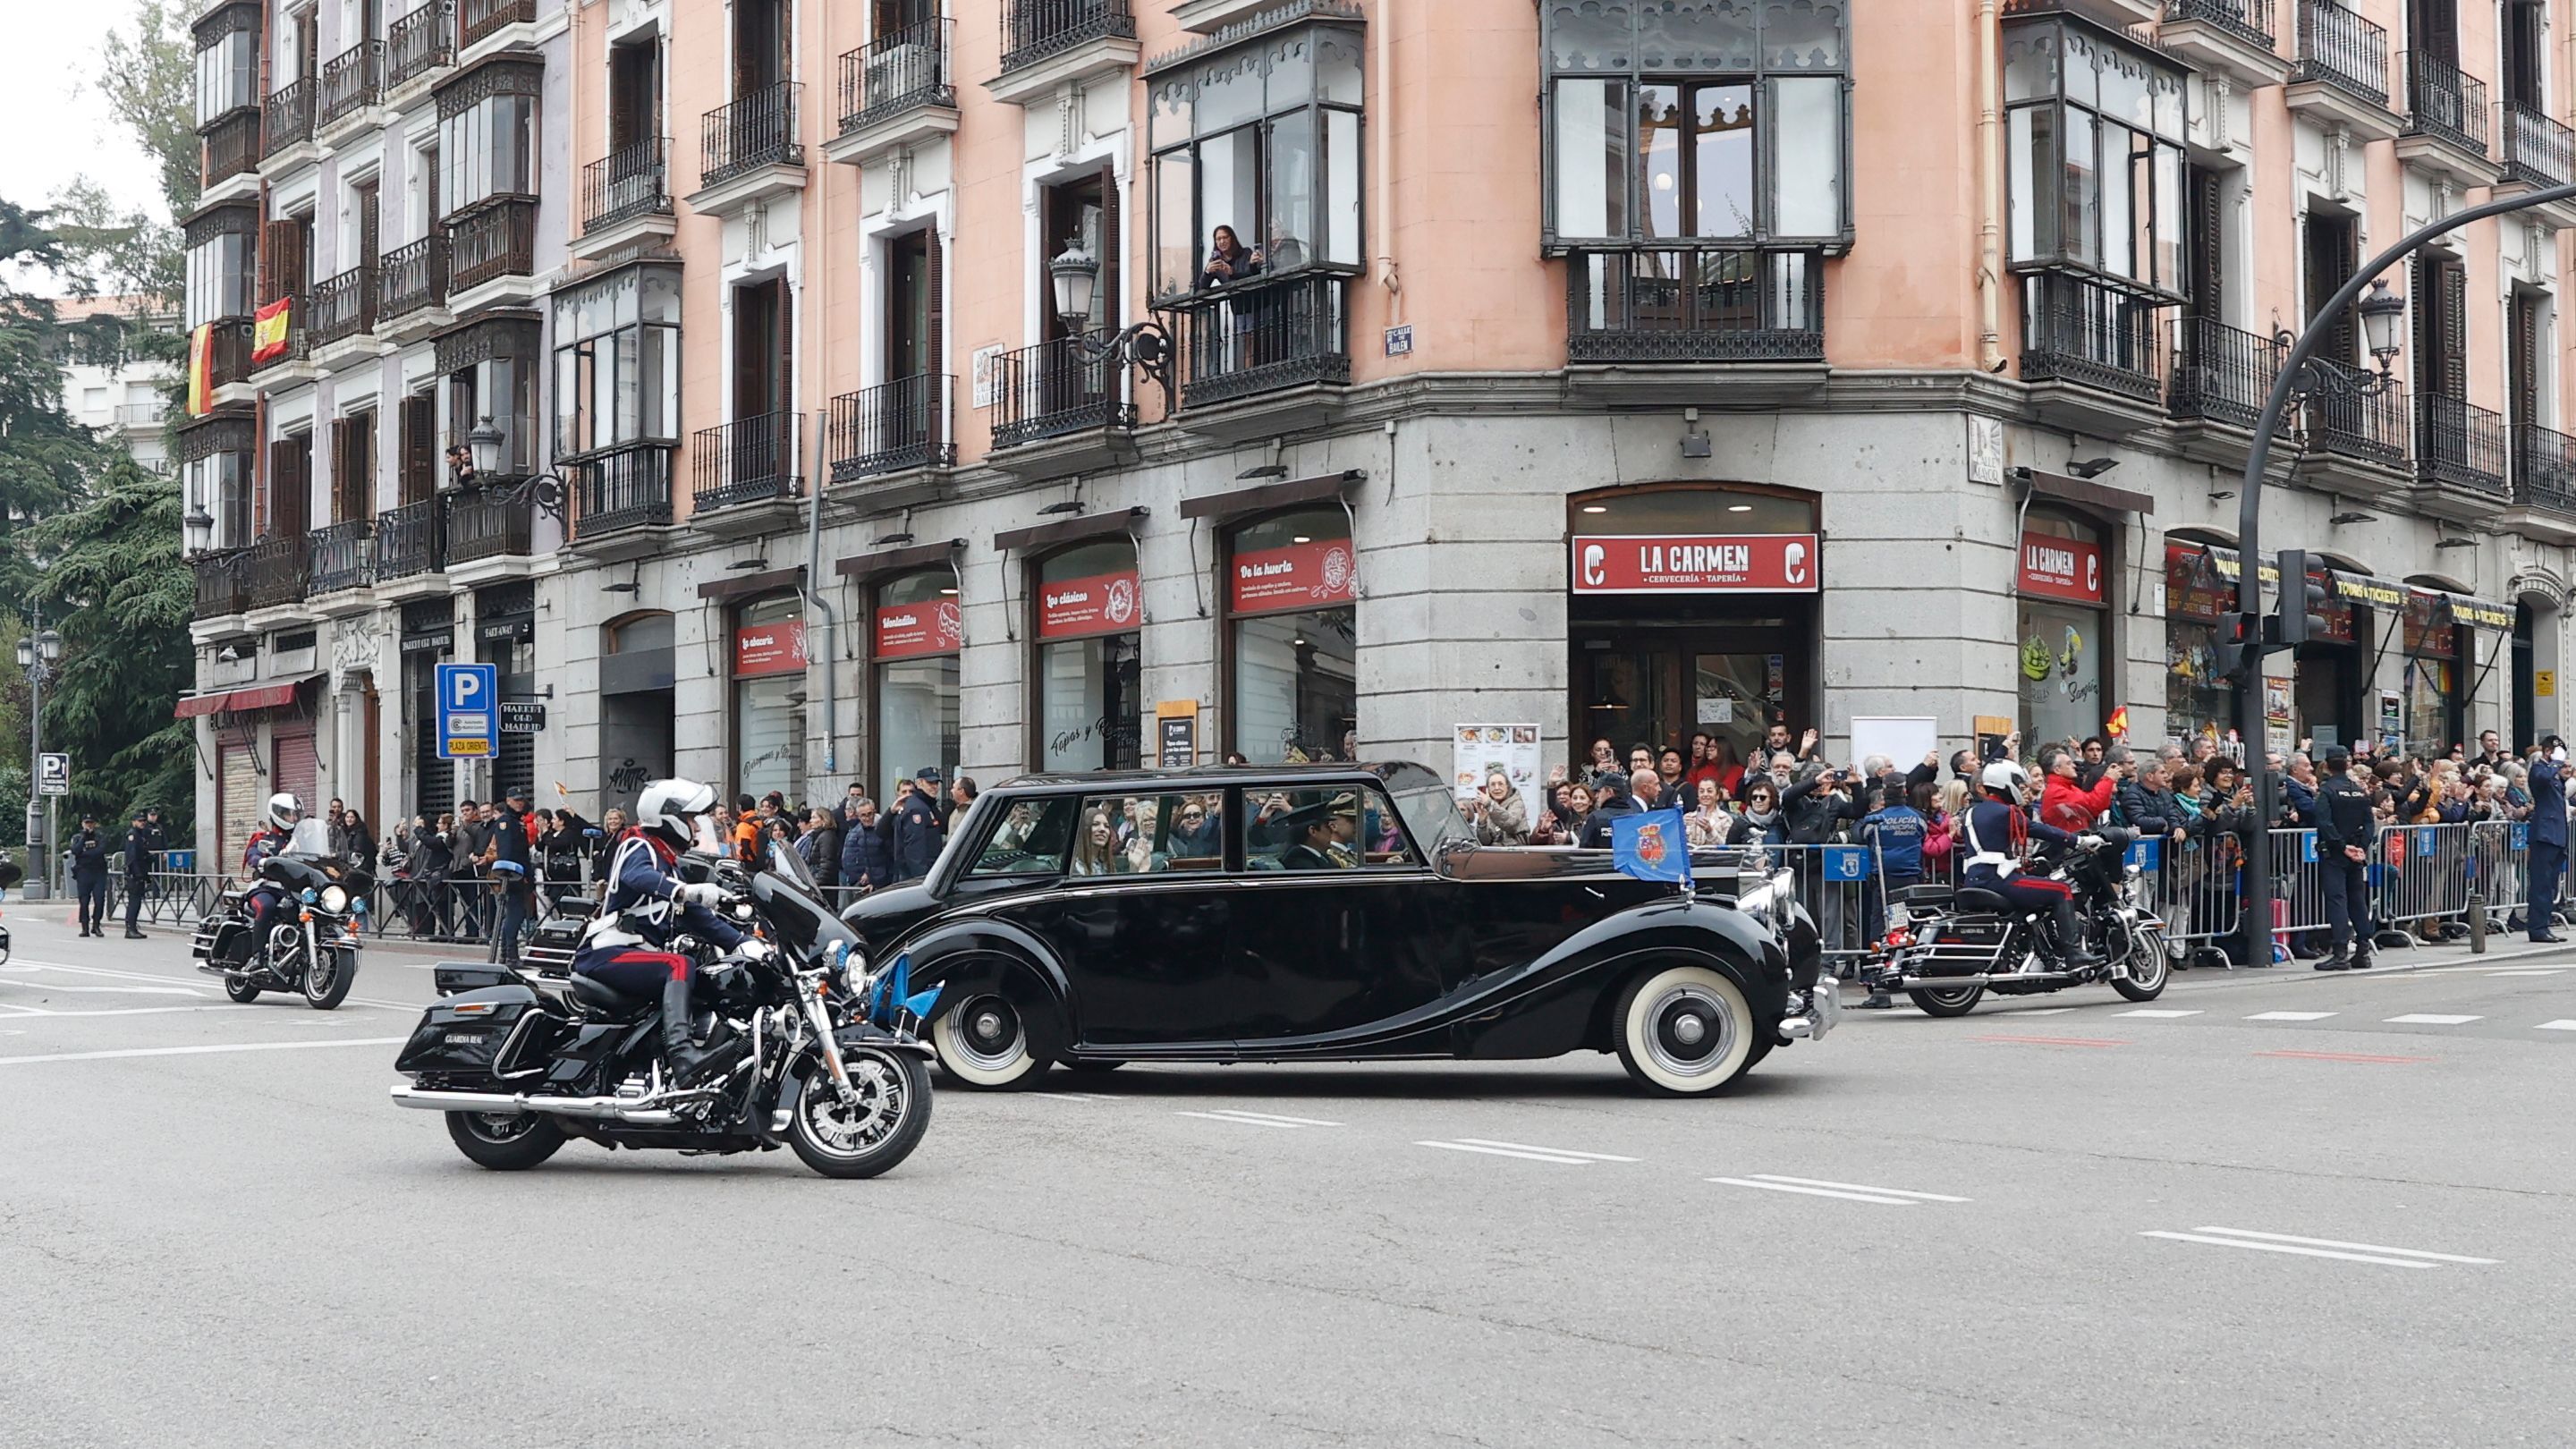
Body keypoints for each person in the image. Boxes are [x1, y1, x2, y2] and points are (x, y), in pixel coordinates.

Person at [570, 778, 744, 1082]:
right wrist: (684, 891)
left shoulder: (669, 863)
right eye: (692, 820)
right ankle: (683, 1056)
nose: (698, 828)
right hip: (605, 953)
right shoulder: (638, 845)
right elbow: (636, 876)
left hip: (633, 954)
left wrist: (744, 942)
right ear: (669, 817)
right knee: (678, 964)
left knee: (708, 976)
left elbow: (699, 918)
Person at [1961, 761, 2101, 970]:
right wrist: (2078, 841)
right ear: (2005, 783)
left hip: (1973, 880)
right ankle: (2074, 954)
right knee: (2061, 890)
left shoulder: (1971, 812)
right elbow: (2039, 829)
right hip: (1999, 880)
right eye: (2018, 783)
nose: (2022, 788)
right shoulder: (2005, 812)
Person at [2310, 746, 2377, 971]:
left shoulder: (2327, 791)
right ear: (2347, 764)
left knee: (2337, 900)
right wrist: (2361, 847)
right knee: (2357, 899)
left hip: (2334, 853)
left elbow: (2324, 822)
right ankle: (2363, 950)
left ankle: (2340, 952)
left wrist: (2342, 846)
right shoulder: (2359, 790)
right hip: (2355, 854)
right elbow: (2369, 823)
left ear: (2327, 766)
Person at [2529, 736, 2568, 945]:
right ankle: (2537, 928)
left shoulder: (2553, 774)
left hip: (2556, 835)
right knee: (2541, 884)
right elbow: (2541, 779)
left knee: (2550, 885)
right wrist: (2555, 763)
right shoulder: (2539, 769)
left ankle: (2543, 924)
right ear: (2547, 751)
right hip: (2545, 834)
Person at [491, 789, 535, 965]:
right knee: (515, 915)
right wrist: (514, 875)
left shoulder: (517, 821)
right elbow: (507, 851)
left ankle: (506, 954)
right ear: (508, 800)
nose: (520, 803)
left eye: (521, 800)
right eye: (516, 800)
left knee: (512, 915)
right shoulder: (506, 822)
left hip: (518, 873)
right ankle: (510, 954)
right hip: (513, 875)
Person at [2038, 746, 2119, 833]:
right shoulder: (2056, 792)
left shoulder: (2069, 787)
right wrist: (2108, 779)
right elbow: (2093, 805)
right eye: (2068, 763)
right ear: (2057, 770)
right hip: (2065, 844)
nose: (2074, 765)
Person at [892, 767, 947, 883]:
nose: (934, 786)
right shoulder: (917, 809)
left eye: (936, 783)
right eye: (930, 782)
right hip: (918, 876)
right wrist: (922, 879)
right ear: (919, 783)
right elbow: (915, 849)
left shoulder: (925, 805)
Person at [1578, 770, 1642, 849]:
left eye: (1599, 791)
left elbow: (1583, 852)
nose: (1596, 796)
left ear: (1609, 792)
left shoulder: (1594, 818)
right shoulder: (1638, 817)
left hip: (1601, 861)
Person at [70, 815, 111, 937]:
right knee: (84, 901)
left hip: (98, 872)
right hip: (83, 872)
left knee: (99, 900)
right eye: (87, 823)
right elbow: (75, 851)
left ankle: (96, 925)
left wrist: (85, 854)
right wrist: (84, 838)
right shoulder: (77, 837)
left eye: (91, 823)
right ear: (82, 824)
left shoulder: (99, 836)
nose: (89, 825)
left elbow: (100, 851)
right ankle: (85, 927)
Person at [1468, 771, 1530, 845]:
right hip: (1494, 853)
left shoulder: (1517, 803)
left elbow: (1510, 823)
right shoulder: (1488, 806)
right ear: (1488, 789)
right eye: (1493, 785)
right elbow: (1484, 842)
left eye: (1500, 784)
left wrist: (1490, 804)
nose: (1497, 788)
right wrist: (1482, 822)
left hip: (1515, 851)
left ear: (1507, 787)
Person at [120, 809, 154, 939]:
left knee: (137, 901)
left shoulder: (141, 835)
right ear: (133, 822)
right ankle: (130, 929)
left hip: (140, 872)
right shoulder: (132, 835)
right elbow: (132, 857)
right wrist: (137, 874)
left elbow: (142, 854)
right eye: (139, 821)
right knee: (134, 902)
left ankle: (133, 927)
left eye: (144, 821)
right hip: (134, 874)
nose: (142, 823)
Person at [1199, 224, 1263, 289]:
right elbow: (1203, 287)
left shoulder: (1245, 253)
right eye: (1218, 239)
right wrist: (1207, 272)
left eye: (1225, 237)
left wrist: (1232, 272)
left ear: (1232, 238)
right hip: (1235, 299)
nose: (1222, 241)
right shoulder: (1215, 261)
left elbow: (1251, 274)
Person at [1682, 776, 1733, 849]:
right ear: (1698, 796)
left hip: (1716, 859)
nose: (1705, 794)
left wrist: (1710, 831)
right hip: (1693, 858)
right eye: (1701, 791)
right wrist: (1682, 826)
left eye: (1709, 791)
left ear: (1717, 796)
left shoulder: (1725, 818)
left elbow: (1726, 847)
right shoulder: (1687, 817)